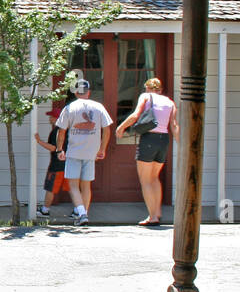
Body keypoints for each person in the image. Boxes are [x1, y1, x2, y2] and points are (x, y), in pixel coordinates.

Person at [116, 77, 178, 226]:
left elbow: (136, 115)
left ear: (148, 88)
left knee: (145, 180)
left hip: (149, 138)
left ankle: (152, 217)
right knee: (154, 178)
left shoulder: (145, 97)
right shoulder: (170, 102)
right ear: (160, 89)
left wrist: (121, 127)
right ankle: (157, 212)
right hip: (164, 140)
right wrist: (180, 143)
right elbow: (174, 125)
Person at [54, 78, 113, 225]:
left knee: (74, 185)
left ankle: (81, 214)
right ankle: (84, 214)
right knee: (86, 186)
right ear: (89, 92)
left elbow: (61, 131)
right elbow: (107, 129)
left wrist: (59, 149)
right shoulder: (98, 107)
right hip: (91, 152)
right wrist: (102, 148)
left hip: (74, 151)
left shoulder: (69, 108)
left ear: (75, 92)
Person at [33, 106, 69, 217]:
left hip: (57, 166)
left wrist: (39, 141)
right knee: (73, 189)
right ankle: (79, 210)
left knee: (50, 188)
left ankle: (45, 210)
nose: (50, 118)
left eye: (52, 116)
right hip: (67, 165)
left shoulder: (56, 131)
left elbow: (53, 148)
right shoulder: (64, 130)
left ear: (56, 118)